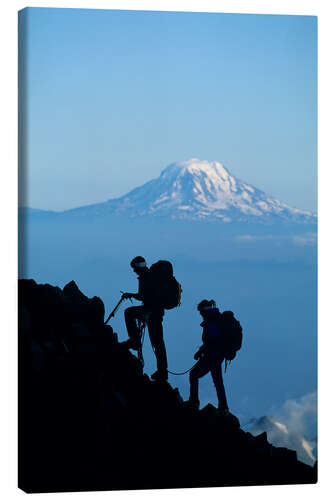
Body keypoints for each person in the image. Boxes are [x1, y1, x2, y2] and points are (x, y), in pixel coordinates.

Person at [122, 256, 168, 382]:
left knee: (129, 313)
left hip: (151, 312)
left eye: (134, 268)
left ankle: (134, 341)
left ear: (137, 267)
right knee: (158, 343)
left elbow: (144, 296)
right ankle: (162, 371)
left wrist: (130, 295)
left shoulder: (145, 277)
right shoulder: (151, 275)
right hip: (156, 312)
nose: (133, 271)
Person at [186, 299, 229, 414]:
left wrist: (201, 352)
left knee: (193, 375)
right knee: (218, 382)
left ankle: (194, 402)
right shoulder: (216, 318)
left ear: (204, 310)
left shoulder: (211, 321)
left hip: (212, 356)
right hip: (217, 356)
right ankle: (223, 407)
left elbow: (212, 341)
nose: (200, 314)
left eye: (200, 312)